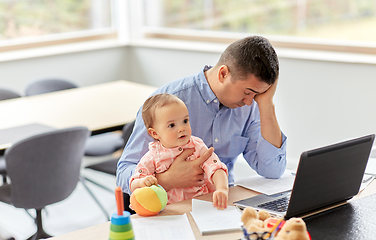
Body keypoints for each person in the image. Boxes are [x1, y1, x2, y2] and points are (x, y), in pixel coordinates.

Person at [117, 35, 287, 198]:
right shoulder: (165, 103)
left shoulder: (249, 106)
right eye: (248, 92)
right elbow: (124, 173)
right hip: (171, 208)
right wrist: (166, 180)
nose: (250, 102)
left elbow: (272, 170)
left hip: (221, 204)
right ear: (223, 74)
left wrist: (266, 104)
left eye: (257, 95)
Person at [130, 93, 229, 209]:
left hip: (200, 206)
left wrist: (222, 189)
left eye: (185, 121)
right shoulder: (152, 157)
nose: (182, 128)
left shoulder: (197, 147)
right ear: (155, 133)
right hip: (170, 211)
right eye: (172, 125)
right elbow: (134, 184)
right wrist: (142, 182)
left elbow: (216, 168)